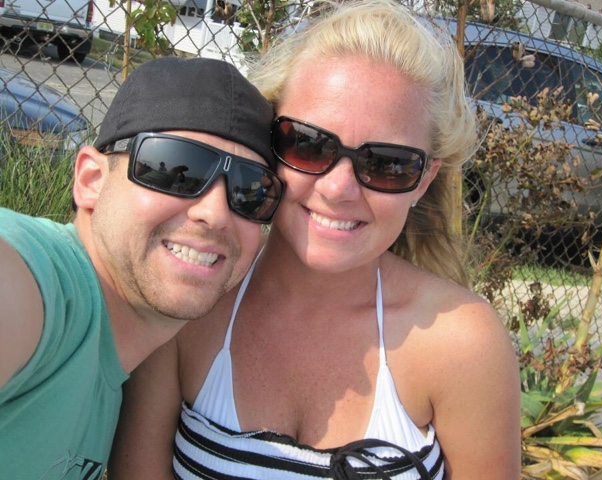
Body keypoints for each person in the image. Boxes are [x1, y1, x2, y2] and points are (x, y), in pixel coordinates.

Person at [108, 2, 521, 479]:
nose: (339, 188)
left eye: (387, 164)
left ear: (424, 180)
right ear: (268, 141)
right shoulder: (192, 299)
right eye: (308, 143)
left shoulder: (461, 344)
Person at [0, 56, 285, 479]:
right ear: (91, 180)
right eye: (173, 169)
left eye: (249, 191)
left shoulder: (112, 375)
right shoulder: (43, 290)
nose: (215, 213)